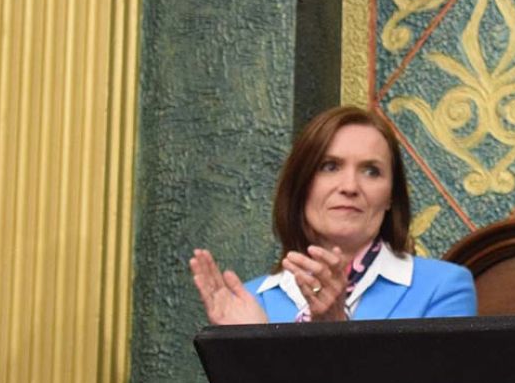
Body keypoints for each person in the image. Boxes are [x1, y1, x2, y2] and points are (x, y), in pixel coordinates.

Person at [190, 106, 476, 328]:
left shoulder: (444, 288)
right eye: (330, 167)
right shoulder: (249, 301)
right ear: (301, 186)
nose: (349, 187)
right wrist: (251, 351)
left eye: (371, 171)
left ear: (391, 196)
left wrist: (337, 333)